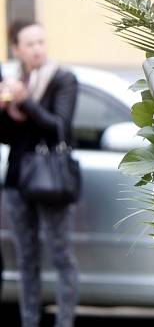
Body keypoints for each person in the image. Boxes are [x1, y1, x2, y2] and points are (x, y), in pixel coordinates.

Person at [0, 20, 79, 327]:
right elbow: (9, 137)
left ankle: (64, 321)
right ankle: (29, 320)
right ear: (16, 49)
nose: (37, 49)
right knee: (26, 259)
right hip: (18, 179)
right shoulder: (15, 81)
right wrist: (6, 110)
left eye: (41, 42)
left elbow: (60, 127)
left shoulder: (63, 79)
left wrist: (26, 103)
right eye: (29, 44)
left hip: (52, 179)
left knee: (61, 256)